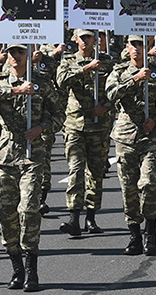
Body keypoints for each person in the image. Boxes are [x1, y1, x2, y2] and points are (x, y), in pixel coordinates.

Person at [0, 43, 64, 292]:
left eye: (21, 52)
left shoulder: (42, 82)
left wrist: (41, 128)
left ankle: (32, 270)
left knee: (28, 210)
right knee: (7, 215)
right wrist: (15, 90)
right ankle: (16, 268)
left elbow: (59, 114)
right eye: (12, 52)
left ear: (29, 53)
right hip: (6, 154)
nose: (15, 56)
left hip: (33, 153)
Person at [105, 35, 156, 256]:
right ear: (127, 47)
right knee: (129, 189)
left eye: (142, 44)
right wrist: (135, 79)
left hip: (150, 137)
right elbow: (110, 94)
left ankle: (151, 231)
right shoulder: (120, 71)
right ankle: (134, 235)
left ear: (149, 46)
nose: (138, 49)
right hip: (125, 136)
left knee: (149, 183)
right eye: (134, 45)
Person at [56, 29, 116, 237]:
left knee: (96, 173)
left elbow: (117, 90)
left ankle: (91, 215)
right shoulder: (69, 60)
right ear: (75, 39)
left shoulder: (107, 61)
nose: (86, 41)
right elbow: (61, 81)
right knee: (75, 169)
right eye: (82, 37)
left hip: (98, 125)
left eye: (90, 37)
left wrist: (106, 107)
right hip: (75, 124)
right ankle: (74, 217)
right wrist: (86, 69)